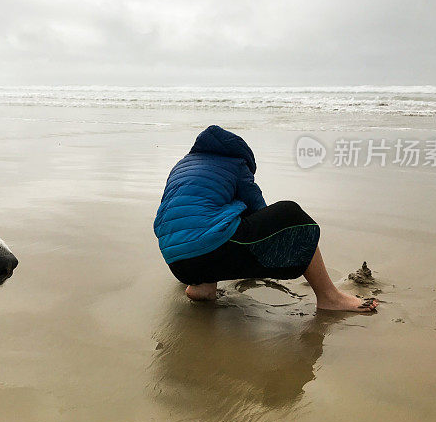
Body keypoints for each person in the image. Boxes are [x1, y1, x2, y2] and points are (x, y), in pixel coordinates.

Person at [153, 125, 378, 311]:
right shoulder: (236, 164)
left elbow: (182, 215)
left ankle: (202, 287)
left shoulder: (181, 166)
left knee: (209, 222)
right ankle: (330, 298)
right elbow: (260, 212)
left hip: (177, 262)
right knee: (292, 215)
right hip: (208, 249)